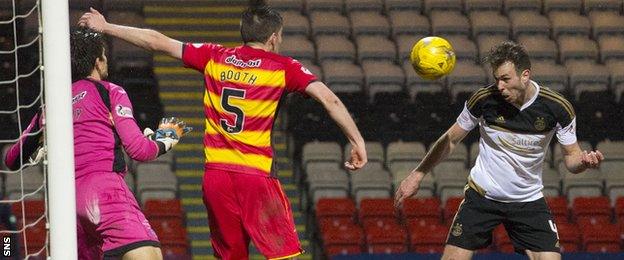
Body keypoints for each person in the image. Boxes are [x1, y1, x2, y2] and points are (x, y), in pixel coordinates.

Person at [79, 5, 368, 260]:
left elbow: (158, 42)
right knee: (283, 255)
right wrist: (357, 141)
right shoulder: (284, 67)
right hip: (255, 176)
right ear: (274, 38)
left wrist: (106, 27)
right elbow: (329, 99)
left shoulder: (216, 56)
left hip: (216, 177)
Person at [395, 41, 604, 260]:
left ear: (525, 75)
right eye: (496, 79)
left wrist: (584, 163)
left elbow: (571, 158)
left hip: (528, 199)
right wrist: (418, 174)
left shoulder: (557, 108)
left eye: (505, 79)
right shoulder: (484, 99)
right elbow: (451, 140)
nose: (500, 86)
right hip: (482, 196)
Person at [4, 29, 190, 260]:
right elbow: (139, 150)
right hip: (105, 193)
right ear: (98, 61)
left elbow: (12, 159)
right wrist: (165, 139)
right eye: (103, 56)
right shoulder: (110, 91)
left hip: (68, 204)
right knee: (150, 256)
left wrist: (40, 141)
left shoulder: (52, 104)